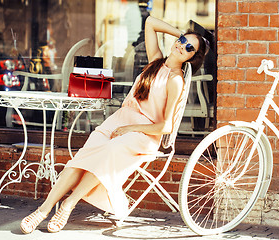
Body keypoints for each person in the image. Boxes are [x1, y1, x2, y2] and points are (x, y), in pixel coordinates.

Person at [19, 16, 207, 234]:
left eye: (189, 47)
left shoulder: (175, 80)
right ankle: (43, 209)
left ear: (193, 57)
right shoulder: (155, 61)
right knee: (84, 155)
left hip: (144, 135)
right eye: (182, 40)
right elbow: (150, 23)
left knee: (108, 150)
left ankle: (69, 203)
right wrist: (180, 35)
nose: (182, 46)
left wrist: (130, 129)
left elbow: (165, 126)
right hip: (121, 119)